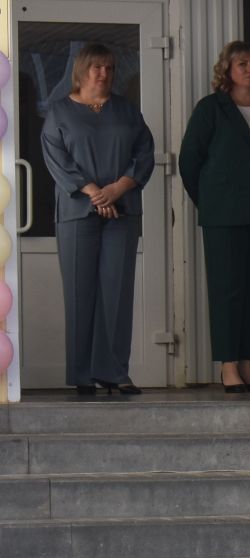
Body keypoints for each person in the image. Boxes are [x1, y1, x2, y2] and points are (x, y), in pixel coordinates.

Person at [39, 41, 155, 398]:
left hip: (122, 211)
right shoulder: (59, 112)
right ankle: (83, 374)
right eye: (97, 67)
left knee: (117, 293)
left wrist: (117, 189)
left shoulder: (127, 111)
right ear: (81, 70)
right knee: (80, 294)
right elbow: (57, 160)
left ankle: (115, 372)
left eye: (109, 68)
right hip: (78, 213)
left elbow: (144, 152)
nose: (104, 74)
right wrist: (94, 193)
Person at [180, 39, 250, 394]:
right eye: (242, 64)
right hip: (223, 216)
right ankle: (228, 366)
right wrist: (210, 201)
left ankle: (247, 364)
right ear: (226, 69)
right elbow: (189, 161)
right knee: (227, 291)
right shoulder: (212, 108)